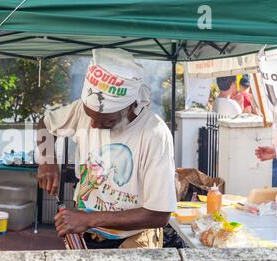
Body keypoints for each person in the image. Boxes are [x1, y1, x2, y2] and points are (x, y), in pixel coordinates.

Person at [37, 48, 177, 249]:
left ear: (129, 107)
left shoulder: (154, 133)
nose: (93, 126)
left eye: (107, 121)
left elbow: (159, 215)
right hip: (85, 233)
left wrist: (89, 219)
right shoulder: (82, 111)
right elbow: (46, 124)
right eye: (90, 116)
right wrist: (47, 161)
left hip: (132, 240)